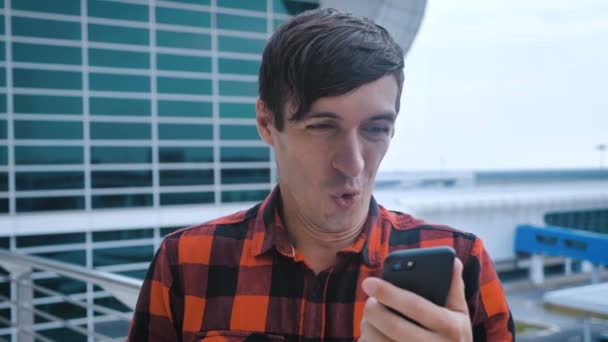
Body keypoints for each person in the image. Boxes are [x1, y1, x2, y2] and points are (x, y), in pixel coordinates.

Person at [128, 8, 514, 342]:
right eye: (323, 127)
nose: (354, 164)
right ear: (266, 121)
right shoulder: (186, 264)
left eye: (375, 129)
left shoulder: (463, 266)